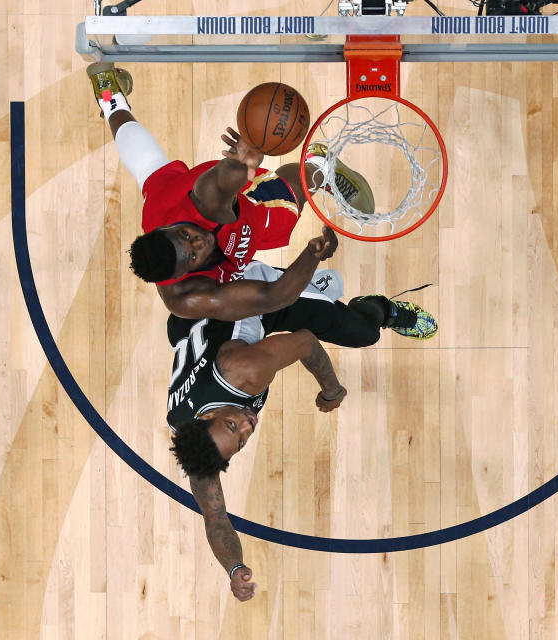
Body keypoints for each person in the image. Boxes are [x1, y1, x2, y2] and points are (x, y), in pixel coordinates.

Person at [165, 275, 437, 602]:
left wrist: (332, 390)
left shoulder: (245, 373)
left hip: (253, 294)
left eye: (233, 426)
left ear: (208, 416)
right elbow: (216, 518)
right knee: (176, 329)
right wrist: (235, 568)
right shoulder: (197, 445)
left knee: (358, 327)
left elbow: (305, 342)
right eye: (240, 442)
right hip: (195, 321)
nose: (248, 426)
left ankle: (382, 309)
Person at [87, 62, 375, 322]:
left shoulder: (206, 200)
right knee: (146, 164)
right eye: (192, 256)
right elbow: (272, 297)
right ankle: (111, 96)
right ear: (179, 276)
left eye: (185, 235)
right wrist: (312, 256)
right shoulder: (186, 298)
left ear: (165, 228)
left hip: (209, 199)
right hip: (179, 203)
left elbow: (225, 179)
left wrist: (246, 160)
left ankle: (317, 167)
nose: (199, 241)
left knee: (285, 204)